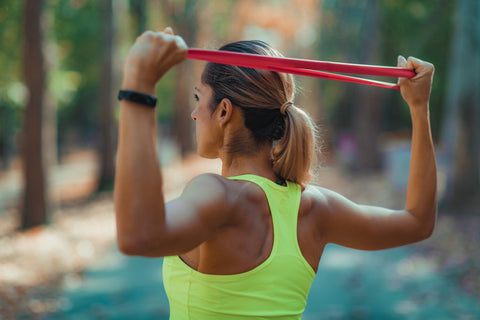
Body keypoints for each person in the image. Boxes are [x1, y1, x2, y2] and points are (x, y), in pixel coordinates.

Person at [114, 27, 437, 319]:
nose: (194, 113)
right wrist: (419, 109)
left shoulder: (217, 195)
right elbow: (418, 222)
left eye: (200, 99)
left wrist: (139, 87)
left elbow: (139, 236)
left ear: (224, 111)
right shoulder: (316, 208)